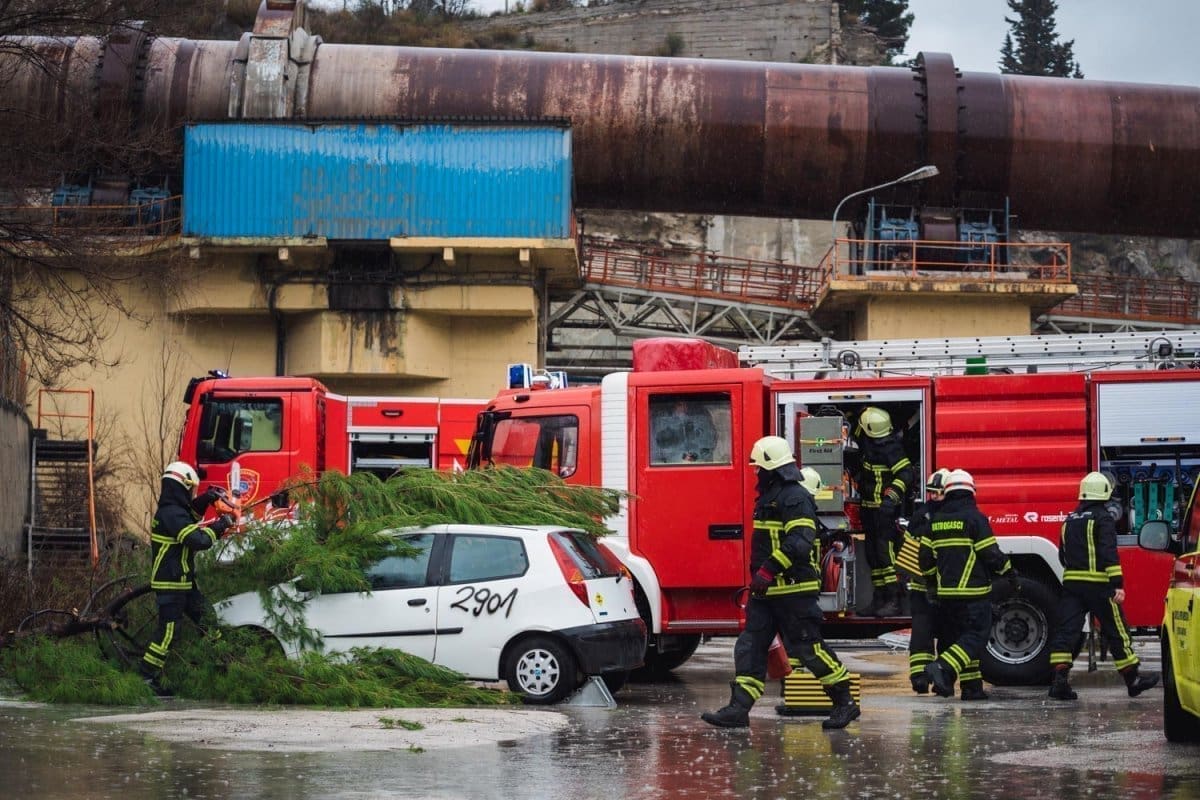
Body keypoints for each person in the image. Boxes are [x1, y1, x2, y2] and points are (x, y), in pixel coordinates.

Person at [701, 436, 860, 730]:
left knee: (808, 648)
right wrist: (763, 578)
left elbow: (799, 542)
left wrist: (768, 570)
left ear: (771, 468)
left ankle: (844, 702)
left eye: (758, 467)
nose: (755, 472)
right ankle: (739, 708)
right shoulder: (771, 497)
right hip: (767, 593)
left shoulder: (795, 498)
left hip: (794, 593)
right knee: (750, 646)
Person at [1046, 471, 1159, 701]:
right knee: (1116, 630)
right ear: (1105, 493)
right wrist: (1117, 584)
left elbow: (1062, 555)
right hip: (1099, 586)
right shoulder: (1103, 518)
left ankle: (1059, 682)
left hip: (1072, 586)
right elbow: (1108, 552)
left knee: (1066, 633)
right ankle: (1133, 680)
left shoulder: (1070, 519)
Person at [918, 469, 1016, 701]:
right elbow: (990, 553)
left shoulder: (936, 521)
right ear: (971, 492)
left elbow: (925, 559)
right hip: (974, 593)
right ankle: (942, 667)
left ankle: (971, 688)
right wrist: (1008, 571)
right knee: (975, 637)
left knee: (959, 639)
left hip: (946, 596)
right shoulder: (975, 519)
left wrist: (933, 583)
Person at [139, 461, 233, 696]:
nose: (191, 494)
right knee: (168, 632)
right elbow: (197, 540)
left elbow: (190, 515)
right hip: (170, 583)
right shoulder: (170, 514)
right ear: (182, 487)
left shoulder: (174, 510)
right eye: (191, 490)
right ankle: (146, 678)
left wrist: (206, 499)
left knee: (207, 617)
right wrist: (220, 526)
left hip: (183, 582)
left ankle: (223, 666)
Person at [852, 406, 914, 617]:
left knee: (885, 555)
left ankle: (895, 599)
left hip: (886, 511)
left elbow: (905, 475)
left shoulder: (891, 449)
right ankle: (879, 599)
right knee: (873, 556)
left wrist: (890, 499)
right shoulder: (871, 445)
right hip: (870, 511)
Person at [895, 468, 949, 694]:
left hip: (936, 587)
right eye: (931, 493)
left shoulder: (925, 516)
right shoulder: (936, 516)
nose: (934, 497)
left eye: (939, 493)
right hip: (926, 587)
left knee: (940, 633)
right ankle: (920, 677)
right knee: (922, 634)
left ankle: (940, 677)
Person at [652, 399, 717, 463]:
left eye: (687, 404)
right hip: (671, 465)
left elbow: (710, 441)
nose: (684, 406)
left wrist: (696, 455)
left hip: (700, 464)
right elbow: (657, 448)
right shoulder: (662, 419)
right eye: (679, 404)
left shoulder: (701, 415)